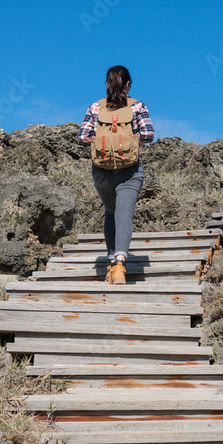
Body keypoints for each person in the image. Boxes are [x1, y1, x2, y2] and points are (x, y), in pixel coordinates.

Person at [77, 66, 154, 284]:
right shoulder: (138, 106)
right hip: (130, 168)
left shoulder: (95, 107)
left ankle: (111, 263)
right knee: (124, 215)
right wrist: (130, 141)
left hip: (101, 170)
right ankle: (120, 264)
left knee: (110, 212)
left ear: (106, 84)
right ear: (128, 84)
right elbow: (148, 134)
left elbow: (83, 136)